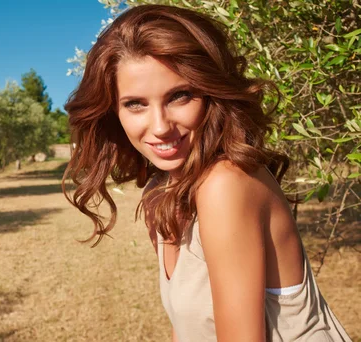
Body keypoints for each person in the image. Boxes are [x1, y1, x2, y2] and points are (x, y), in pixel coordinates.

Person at [62, 4, 351, 342]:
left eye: (179, 96)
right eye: (135, 103)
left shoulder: (226, 184)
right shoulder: (160, 190)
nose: (160, 127)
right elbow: (187, 330)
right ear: (114, 111)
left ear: (211, 92)